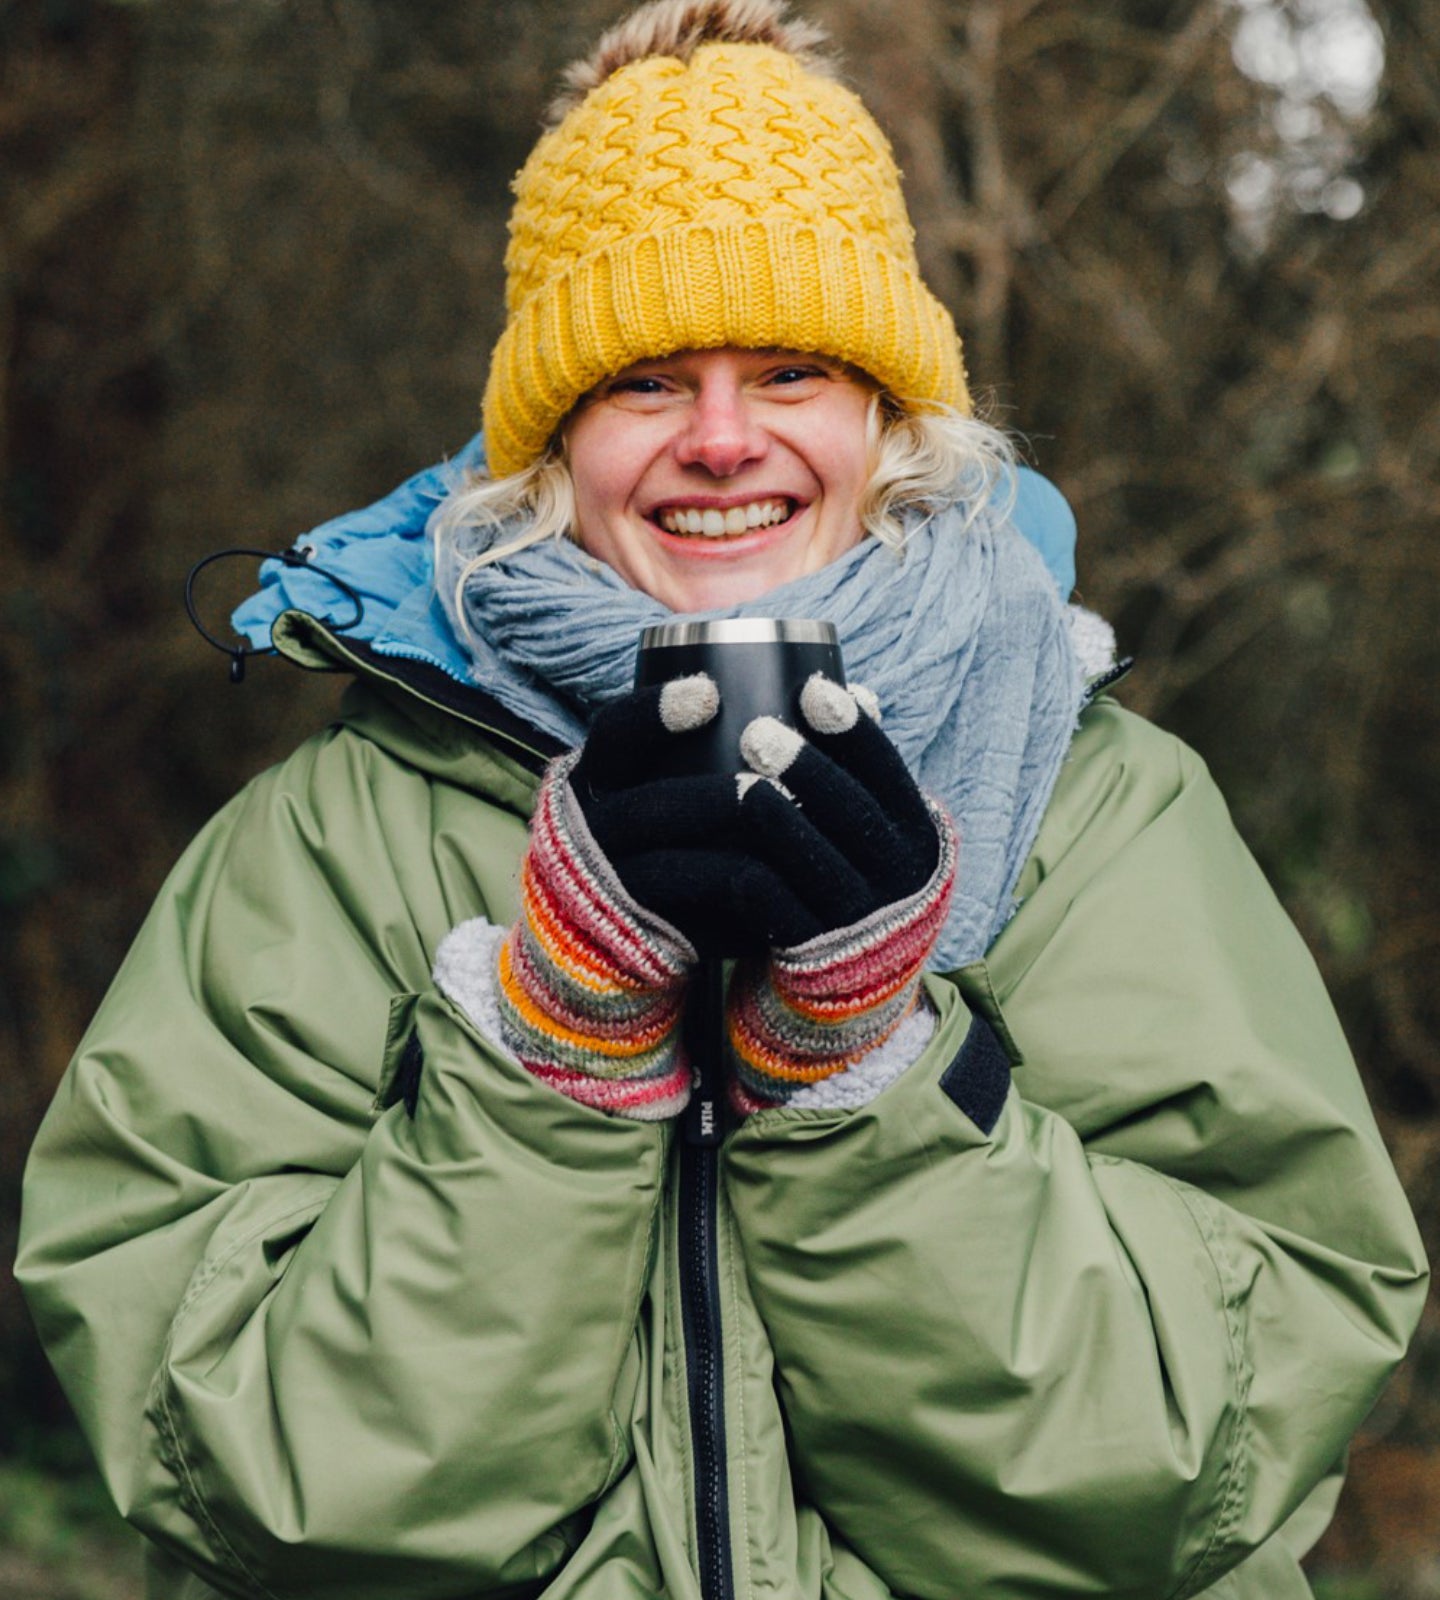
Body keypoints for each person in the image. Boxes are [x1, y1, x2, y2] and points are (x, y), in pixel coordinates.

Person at [16, 2, 1426, 1597]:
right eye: (645, 382)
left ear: (890, 415)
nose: (722, 440)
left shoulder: (1105, 813)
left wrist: (863, 1065)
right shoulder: (327, 845)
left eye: (793, 369)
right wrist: (558, 1028)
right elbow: (274, 1496)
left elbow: (1188, 1480)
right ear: (550, 436)